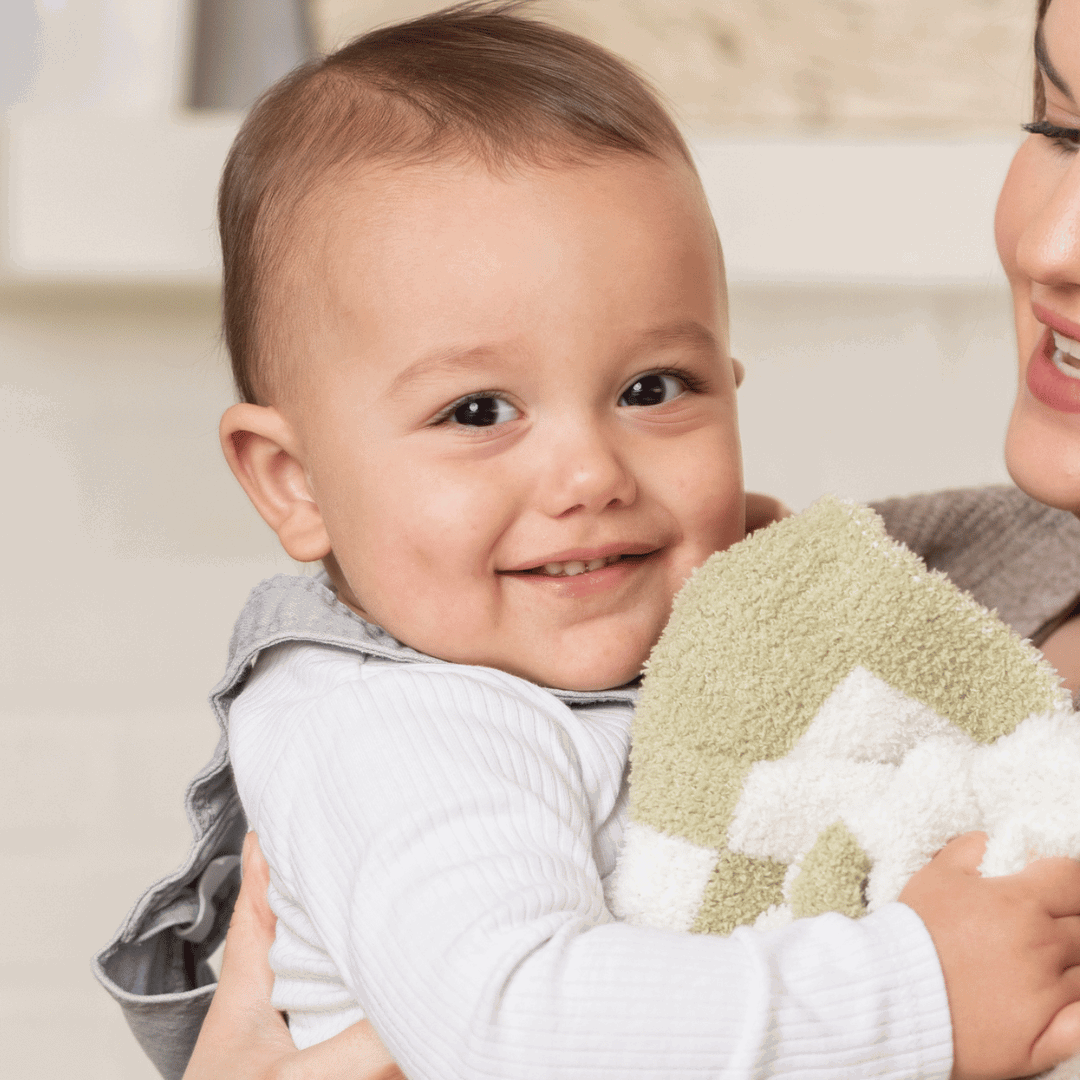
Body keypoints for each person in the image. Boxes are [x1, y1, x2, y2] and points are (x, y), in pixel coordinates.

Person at [95, 4, 1080, 1080]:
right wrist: (914, 994)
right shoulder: (395, 721)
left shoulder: (805, 622)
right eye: (477, 413)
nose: (591, 475)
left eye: (650, 390)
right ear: (294, 484)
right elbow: (513, 1028)